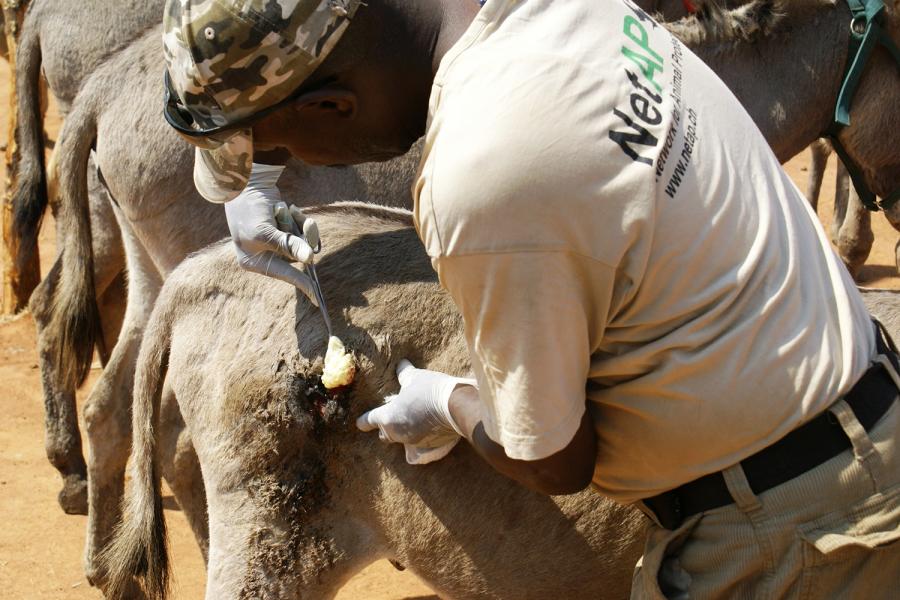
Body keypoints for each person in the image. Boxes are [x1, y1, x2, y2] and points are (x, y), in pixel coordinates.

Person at [162, 0, 900, 597]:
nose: (292, 168)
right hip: (862, 431)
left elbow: (553, 461)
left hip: (792, 539)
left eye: (280, 154)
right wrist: (254, 184)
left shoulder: (480, 177)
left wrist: (447, 402)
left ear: (330, 104)